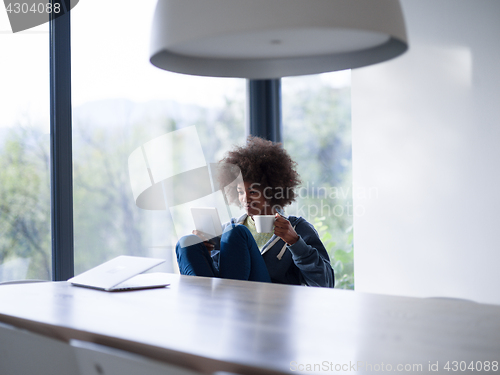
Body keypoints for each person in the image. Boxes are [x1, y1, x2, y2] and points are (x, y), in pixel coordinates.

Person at [175, 136, 335, 287]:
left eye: (252, 192)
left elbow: (325, 283)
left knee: (236, 233)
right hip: (224, 302)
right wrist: (205, 252)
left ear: (272, 190)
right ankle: (204, 308)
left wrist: (295, 242)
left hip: (269, 304)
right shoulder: (227, 229)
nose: (245, 199)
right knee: (187, 242)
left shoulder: (297, 229)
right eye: (240, 191)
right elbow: (219, 276)